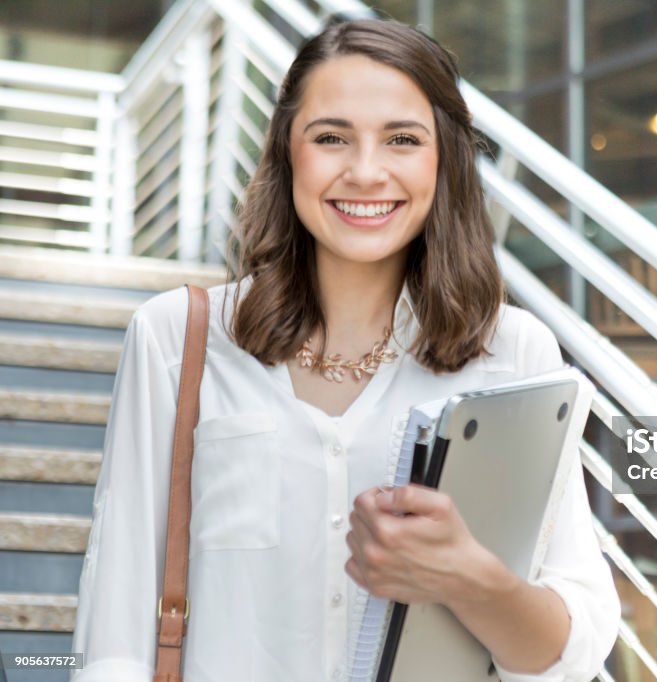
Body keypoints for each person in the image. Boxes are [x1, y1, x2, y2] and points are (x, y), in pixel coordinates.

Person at [70, 18, 619, 682]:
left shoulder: (513, 353)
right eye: (331, 137)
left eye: (402, 140)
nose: (364, 172)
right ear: (286, 153)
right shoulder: (176, 340)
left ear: (443, 160)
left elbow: (572, 651)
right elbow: (115, 636)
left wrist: (469, 577)